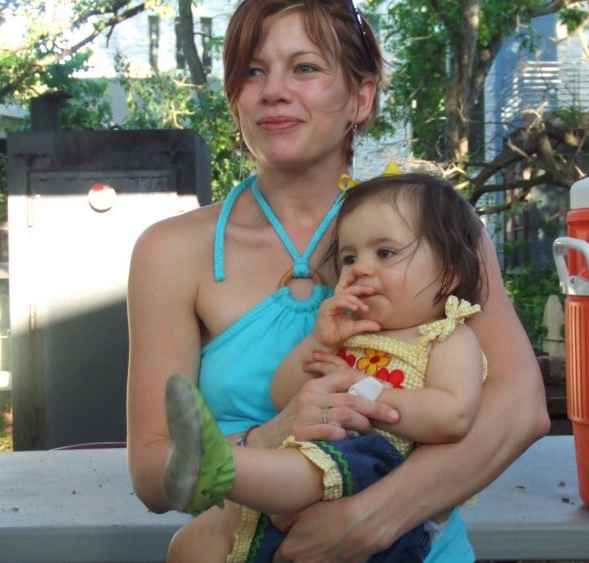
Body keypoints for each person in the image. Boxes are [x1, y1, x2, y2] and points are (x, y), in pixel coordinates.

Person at [125, 1, 550, 562]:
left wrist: (371, 519)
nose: (274, 90)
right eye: (253, 71)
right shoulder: (171, 251)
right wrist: (272, 433)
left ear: (360, 98)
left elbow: (521, 407)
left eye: (305, 67)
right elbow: (152, 473)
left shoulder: (434, 230)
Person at [162, 172, 489, 562]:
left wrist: (363, 392)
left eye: (385, 253)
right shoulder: (352, 335)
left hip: (382, 477)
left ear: (448, 273)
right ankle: (210, 471)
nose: (359, 269)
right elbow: (283, 395)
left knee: (313, 467)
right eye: (350, 258)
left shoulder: (446, 337)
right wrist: (319, 342)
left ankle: (218, 466)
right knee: (192, 545)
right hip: (309, 475)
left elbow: (454, 415)